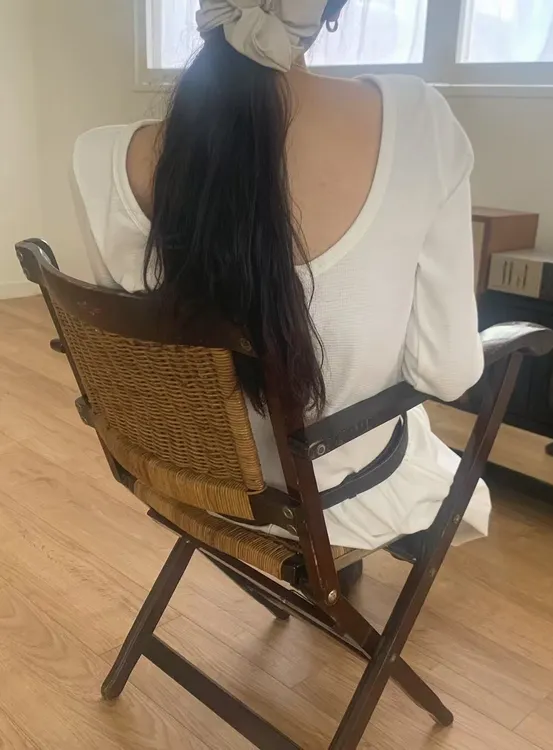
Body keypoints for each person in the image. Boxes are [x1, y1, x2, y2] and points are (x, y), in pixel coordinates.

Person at [73, 0, 491, 554]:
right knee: (430, 456)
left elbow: (139, 356)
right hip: (332, 502)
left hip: (191, 482)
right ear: (330, 11)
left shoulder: (98, 157)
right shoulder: (419, 121)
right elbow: (446, 373)